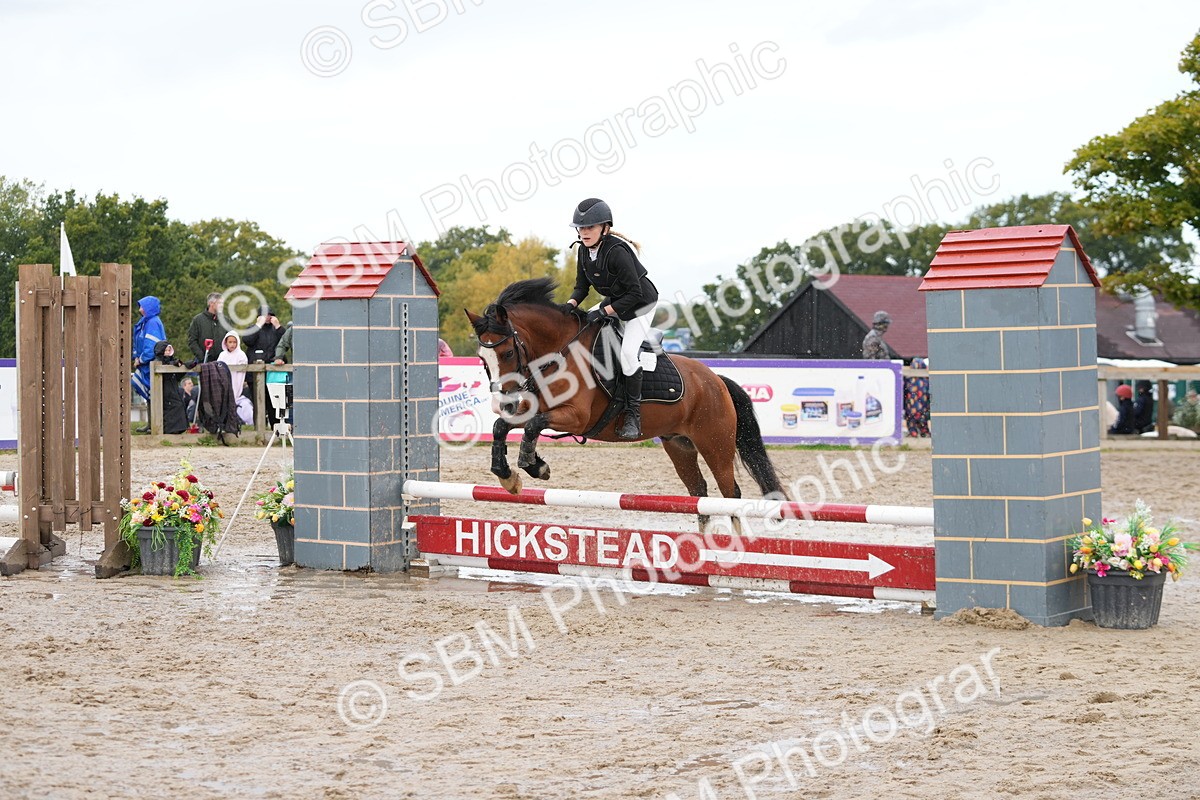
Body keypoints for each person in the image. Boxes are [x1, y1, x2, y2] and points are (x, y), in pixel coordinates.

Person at [563, 198, 659, 439]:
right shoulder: (584, 251)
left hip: (641, 304)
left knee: (627, 354)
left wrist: (604, 312)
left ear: (604, 228)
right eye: (581, 228)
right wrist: (569, 306)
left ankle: (632, 415)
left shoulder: (617, 251)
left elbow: (635, 293)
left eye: (590, 228)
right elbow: (581, 288)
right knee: (582, 332)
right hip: (616, 301)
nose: (584, 232)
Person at [131, 296, 166, 432]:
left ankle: (155, 425)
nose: (140, 309)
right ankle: (151, 424)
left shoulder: (152, 322)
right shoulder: (145, 322)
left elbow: (151, 345)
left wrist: (142, 359)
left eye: (142, 306)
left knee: (154, 394)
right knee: (149, 395)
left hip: (152, 362)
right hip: (145, 363)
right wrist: (136, 357)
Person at [153, 341, 189, 434]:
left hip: (173, 389)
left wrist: (183, 368)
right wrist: (173, 364)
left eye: (169, 350)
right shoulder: (157, 362)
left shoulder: (172, 361)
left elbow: (176, 377)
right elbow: (164, 375)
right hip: (165, 390)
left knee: (179, 405)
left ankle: (178, 429)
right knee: (172, 407)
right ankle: (169, 430)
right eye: (166, 350)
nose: (168, 352)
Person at [187, 292, 225, 366]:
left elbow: (231, 340)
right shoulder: (197, 320)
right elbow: (192, 340)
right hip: (204, 363)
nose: (222, 306)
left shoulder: (226, 321)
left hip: (222, 363)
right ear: (211, 303)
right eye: (219, 303)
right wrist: (202, 357)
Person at [904, 357, 930, 437]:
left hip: (911, 407)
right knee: (923, 420)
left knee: (911, 420)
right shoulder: (926, 380)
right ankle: (924, 431)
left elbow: (905, 391)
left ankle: (913, 432)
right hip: (923, 407)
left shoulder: (909, 380)